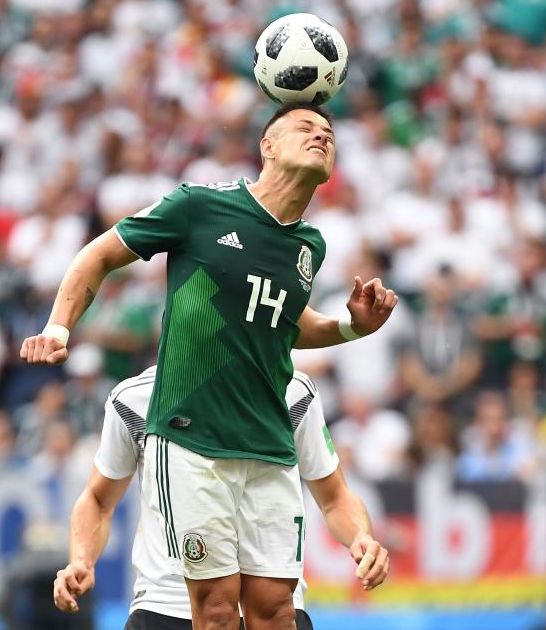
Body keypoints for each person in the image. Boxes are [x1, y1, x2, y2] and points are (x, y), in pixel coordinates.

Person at [22, 102, 398, 628]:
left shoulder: (308, 246)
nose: (322, 136)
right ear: (266, 146)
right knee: (217, 609)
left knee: (275, 611)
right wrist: (59, 327)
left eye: (329, 132)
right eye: (306, 128)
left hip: (266, 442)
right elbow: (99, 255)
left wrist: (351, 327)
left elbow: (286, 320)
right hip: (192, 439)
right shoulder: (199, 206)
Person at [52, 367, 389, 629]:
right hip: (167, 605)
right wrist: (81, 559)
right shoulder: (135, 398)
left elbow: (333, 497)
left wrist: (362, 537)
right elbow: (98, 499)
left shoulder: (293, 392)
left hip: (272, 610)